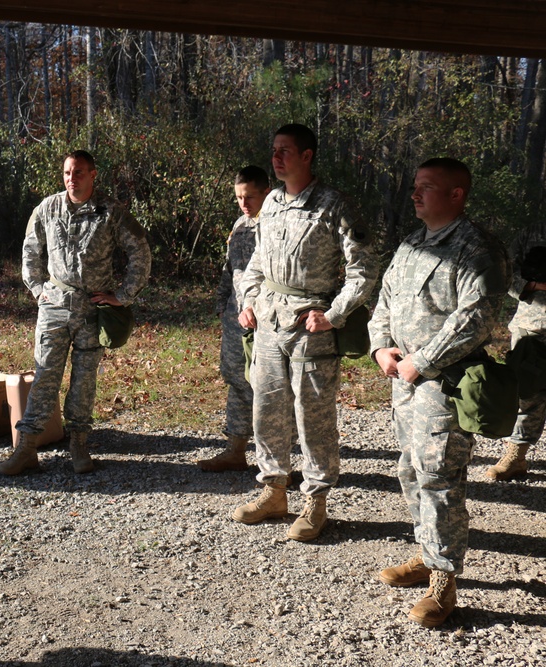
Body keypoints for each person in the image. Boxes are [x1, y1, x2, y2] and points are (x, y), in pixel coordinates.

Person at [368, 158, 510, 628]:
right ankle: (428, 553)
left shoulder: (477, 248)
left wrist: (420, 362)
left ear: (456, 195)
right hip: (405, 380)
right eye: (415, 187)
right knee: (410, 469)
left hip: (444, 383)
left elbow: (478, 316)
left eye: (426, 188)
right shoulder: (411, 244)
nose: (415, 195)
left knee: (439, 475)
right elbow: (385, 299)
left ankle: (444, 580)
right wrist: (379, 347)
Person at [233, 123, 377, 541]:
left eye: (285, 151)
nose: (276, 158)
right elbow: (256, 261)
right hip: (268, 322)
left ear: (308, 156)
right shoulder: (273, 202)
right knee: (267, 409)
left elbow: (363, 270)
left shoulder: (333, 205)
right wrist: (249, 300)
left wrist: (332, 315)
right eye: (274, 150)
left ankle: (315, 502)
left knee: (312, 416)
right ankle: (274, 490)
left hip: (309, 324)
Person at [0, 150, 151, 475]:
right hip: (54, 307)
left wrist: (123, 295)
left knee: (84, 380)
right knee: (44, 377)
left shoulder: (110, 212)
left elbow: (139, 249)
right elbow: (30, 248)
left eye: (79, 172)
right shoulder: (48, 208)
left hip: (92, 311)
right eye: (68, 172)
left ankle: (79, 444)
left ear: (93, 174)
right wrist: (37, 288)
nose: (72, 178)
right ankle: (26, 448)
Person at [197, 166, 270, 472]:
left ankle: (275, 461)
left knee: (270, 386)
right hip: (234, 318)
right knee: (236, 379)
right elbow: (231, 270)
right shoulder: (240, 225)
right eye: (239, 197)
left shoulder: (277, 225)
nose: (244, 203)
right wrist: (221, 303)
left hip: (266, 319)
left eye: (249, 196)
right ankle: (235, 450)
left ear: (266, 191)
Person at [485, 220, 546, 481]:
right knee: (526, 393)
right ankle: (516, 456)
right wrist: (534, 286)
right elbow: (505, 274)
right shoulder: (532, 231)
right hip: (533, 326)